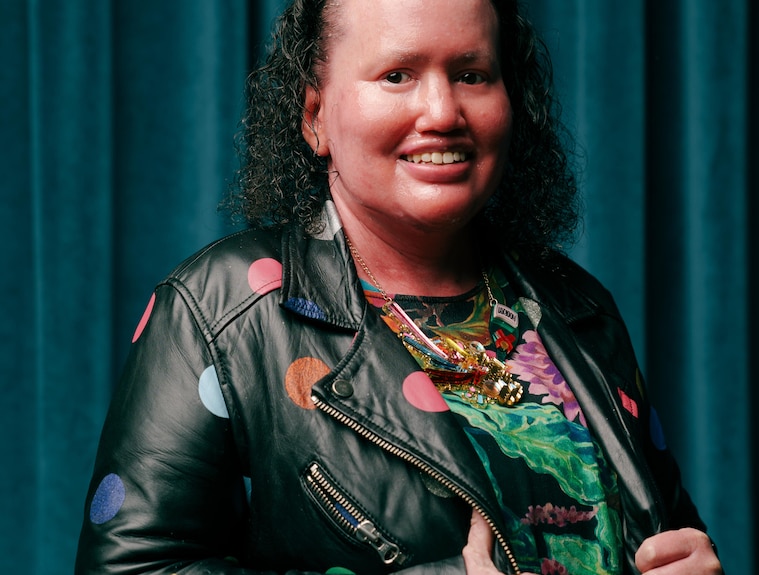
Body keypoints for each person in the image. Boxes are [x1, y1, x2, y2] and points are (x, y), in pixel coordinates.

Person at [75, 0, 724, 574]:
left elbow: (664, 526)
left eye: (472, 74)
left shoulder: (576, 306)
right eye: (397, 75)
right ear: (314, 115)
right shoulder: (221, 310)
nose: (442, 111)